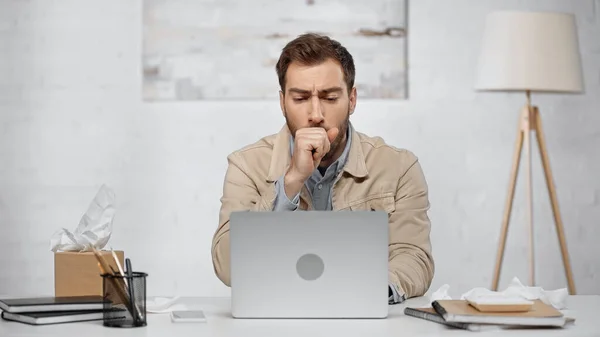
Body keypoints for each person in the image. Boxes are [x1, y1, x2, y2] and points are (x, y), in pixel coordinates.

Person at [211, 33, 434, 303]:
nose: (316, 114)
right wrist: (291, 180)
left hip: (365, 318)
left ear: (351, 100)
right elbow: (227, 267)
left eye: (330, 97)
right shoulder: (245, 165)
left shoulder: (399, 167)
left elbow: (414, 256)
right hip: (276, 314)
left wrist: (369, 291)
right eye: (301, 98)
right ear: (282, 102)